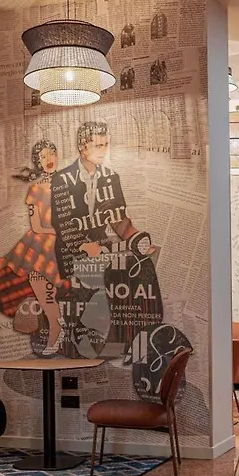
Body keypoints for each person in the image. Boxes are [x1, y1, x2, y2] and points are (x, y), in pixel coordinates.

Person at [51, 121, 162, 353]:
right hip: (73, 254)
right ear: (82, 147)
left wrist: (137, 239)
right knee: (107, 279)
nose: (104, 150)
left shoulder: (111, 178)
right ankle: (89, 334)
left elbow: (119, 220)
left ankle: (138, 338)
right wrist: (84, 246)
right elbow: (62, 224)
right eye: (98, 146)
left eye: (106, 145)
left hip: (101, 252)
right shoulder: (61, 179)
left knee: (143, 268)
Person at [0, 139, 68, 355]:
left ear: (57, 156)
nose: (48, 159)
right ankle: (56, 327)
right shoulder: (36, 189)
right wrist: (58, 232)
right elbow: (37, 226)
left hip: (62, 246)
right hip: (40, 245)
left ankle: (58, 327)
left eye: (51, 154)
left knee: (53, 291)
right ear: (38, 162)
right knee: (41, 290)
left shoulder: (69, 187)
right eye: (42, 157)